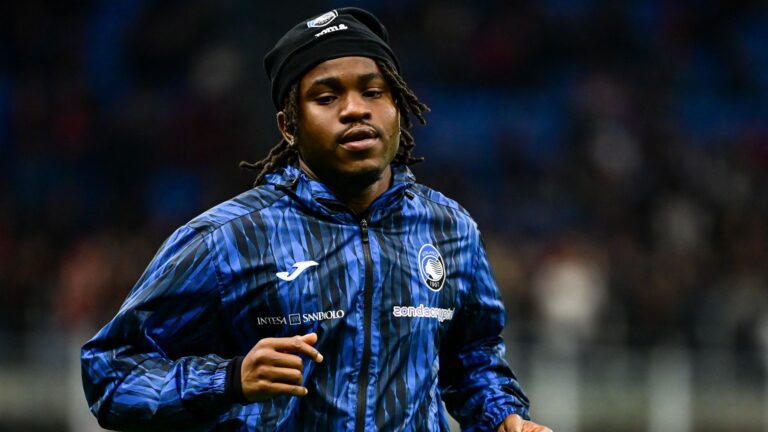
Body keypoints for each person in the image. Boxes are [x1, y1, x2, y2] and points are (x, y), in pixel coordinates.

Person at [81, 7, 551, 432]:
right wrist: (228, 379)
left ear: (398, 107)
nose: (355, 109)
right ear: (289, 126)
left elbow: (473, 359)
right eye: (326, 97)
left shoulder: (450, 230)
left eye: (373, 91)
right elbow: (111, 373)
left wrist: (504, 418)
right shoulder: (229, 238)